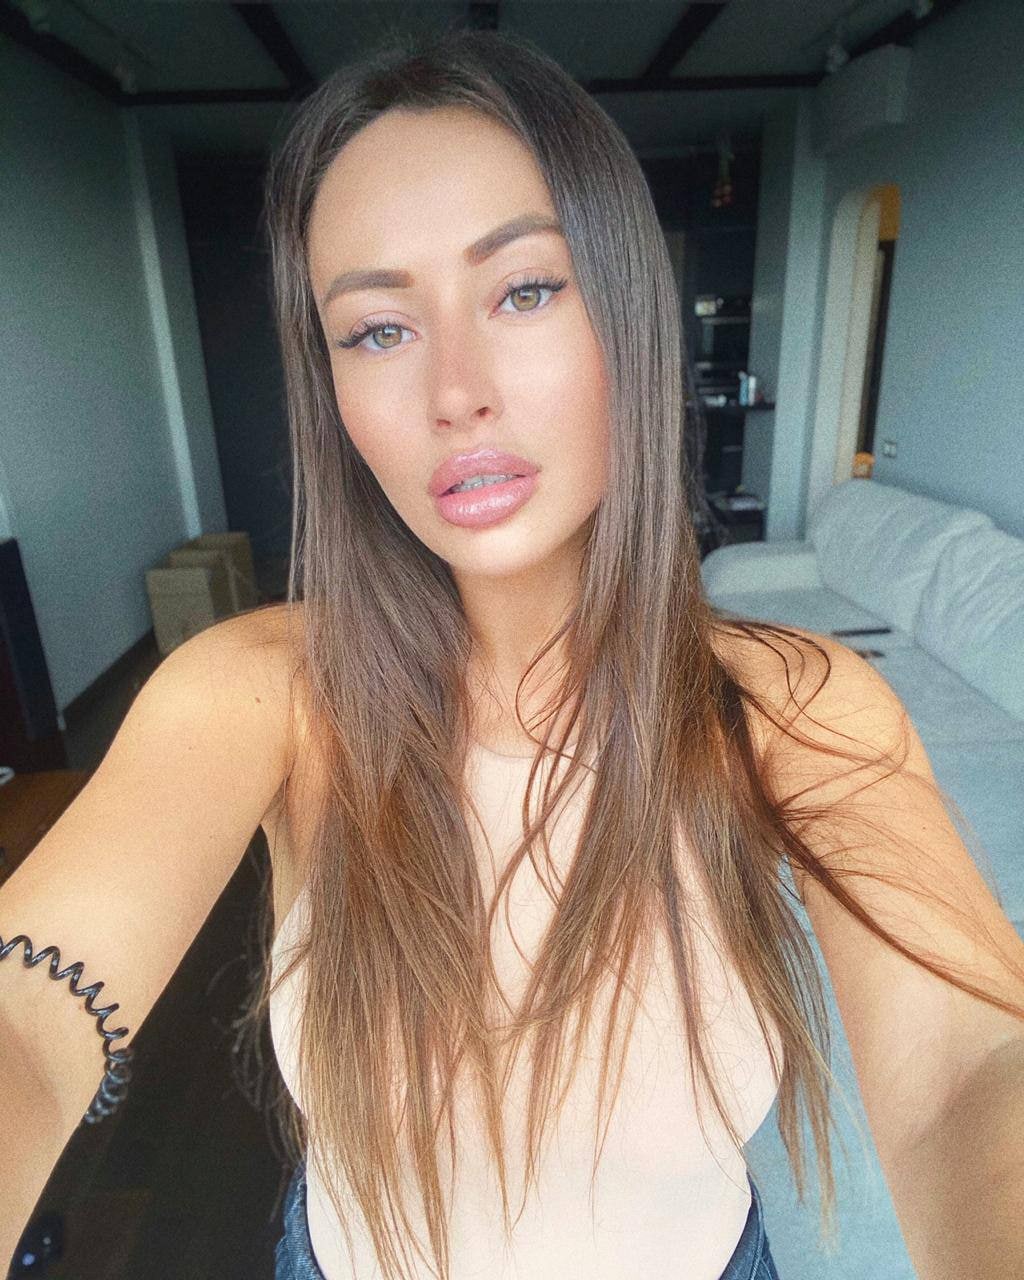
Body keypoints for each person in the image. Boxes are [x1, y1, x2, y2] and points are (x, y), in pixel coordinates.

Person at [4, 25, 1023, 1280]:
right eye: (378, 330)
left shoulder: (795, 708)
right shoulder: (262, 692)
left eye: (525, 290)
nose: (456, 391)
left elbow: (969, 1067)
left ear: (627, 317)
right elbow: (29, 1016)